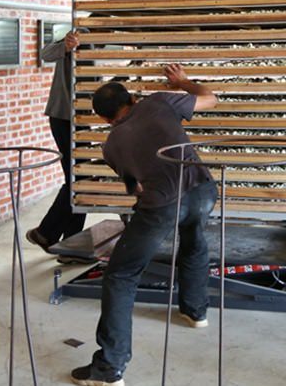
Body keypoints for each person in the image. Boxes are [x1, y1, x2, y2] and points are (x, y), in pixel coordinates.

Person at [71, 64, 218, 386]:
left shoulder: (110, 146)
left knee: (121, 276)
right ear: (132, 100)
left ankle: (109, 369)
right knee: (194, 241)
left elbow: (135, 186)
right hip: (204, 190)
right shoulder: (158, 102)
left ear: (104, 119)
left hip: (162, 207)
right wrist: (183, 82)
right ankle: (195, 313)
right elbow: (211, 99)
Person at [27, 28, 85, 254]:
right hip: (65, 118)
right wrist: (66, 46)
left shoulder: (105, 42)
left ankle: (69, 241)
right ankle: (48, 233)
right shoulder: (81, 35)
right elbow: (46, 53)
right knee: (77, 179)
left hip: (85, 117)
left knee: (81, 179)